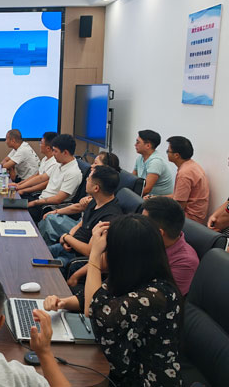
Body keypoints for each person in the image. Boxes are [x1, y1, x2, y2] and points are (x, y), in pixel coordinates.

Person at [44, 216, 183, 387]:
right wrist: (63, 302)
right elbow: (98, 297)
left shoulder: (155, 296)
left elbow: (95, 311)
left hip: (142, 379)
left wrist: (94, 255)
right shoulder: (136, 274)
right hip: (121, 365)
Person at [42, 166, 122, 271]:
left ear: (96, 188)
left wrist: (66, 238)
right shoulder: (96, 200)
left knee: (43, 269)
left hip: (77, 260)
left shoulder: (109, 218)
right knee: (37, 253)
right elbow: (82, 223)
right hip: (70, 246)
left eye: (88, 179)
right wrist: (70, 235)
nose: (86, 180)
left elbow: (90, 251)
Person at [38, 151, 121, 245]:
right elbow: (81, 214)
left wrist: (67, 238)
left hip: (82, 238)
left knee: (49, 221)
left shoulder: (106, 204)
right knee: (50, 218)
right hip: (79, 228)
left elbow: (90, 249)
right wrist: (69, 234)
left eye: (95, 163)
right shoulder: (97, 197)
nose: (91, 166)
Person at [143, 196, 199, 296]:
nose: (139, 225)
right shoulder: (152, 240)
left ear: (159, 233)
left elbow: (161, 298)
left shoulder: (185, 263)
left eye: (143, 223)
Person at [27, 134, 82, 222]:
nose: (53, 154)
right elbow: (41, 178)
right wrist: (19, 187)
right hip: (41, 199)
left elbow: (58, 199)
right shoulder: (58, 164)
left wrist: (34, 203)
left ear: (65, 152)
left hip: (48, 207)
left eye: (55, 151)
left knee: (18, 213)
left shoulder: (73, 172)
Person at [164, 136, 210, 224]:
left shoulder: (184, 173)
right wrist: (156, 197)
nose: (167, 153)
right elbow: (178, 196)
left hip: (190, 218)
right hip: (197, 216)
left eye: (168, 151)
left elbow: (179, 206)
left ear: (176, 155)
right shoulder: (192, 165)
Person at [12, 131, 59, 199]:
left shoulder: (55, 163)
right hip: (34, 188)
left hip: (41, 193)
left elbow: (44, 184)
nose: (39, 145)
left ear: (48, 148)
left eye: (41, 143)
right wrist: (18, 184)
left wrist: (23, 189)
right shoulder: (45, 159)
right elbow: (37, 175)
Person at [132, 129, 174, 196]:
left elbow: (147, 189)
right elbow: (132, 179)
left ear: (148, 146)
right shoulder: (140, 158)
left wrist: (129, 196)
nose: (135, 144)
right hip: (147, 197)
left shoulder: (156, 162)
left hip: (158, 199)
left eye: (138, 142)